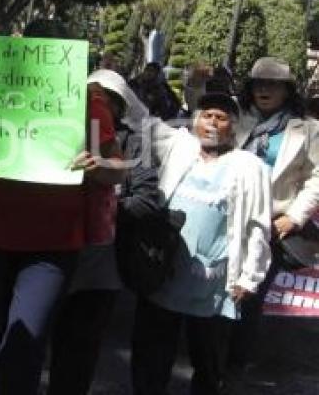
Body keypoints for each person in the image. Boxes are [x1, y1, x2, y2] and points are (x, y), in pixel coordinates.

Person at [0, 20, 125, 394]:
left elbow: (117, 169)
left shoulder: (88, 103)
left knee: (25, 343)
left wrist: (98, 166)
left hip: (52, 245)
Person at [129, 92, 271, 395]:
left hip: (214, 285)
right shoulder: (179, 146)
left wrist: (250, 277)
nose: (212, 123)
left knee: (207, 364)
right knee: (152, 358)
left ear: (233, 127)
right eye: (206, 115)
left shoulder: (249, 166)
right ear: (195, 121)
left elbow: (258, 225)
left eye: (220, 118)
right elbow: (141, 117)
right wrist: (106, 83)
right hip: (164, 274)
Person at [48, 69, 163, 395]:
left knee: (79, 349)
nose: (96, 105)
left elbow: (147, 198)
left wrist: (110, 206)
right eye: (90, 98)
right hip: (50, 251)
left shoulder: (134, 142)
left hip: (101, 266)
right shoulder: (57, 132)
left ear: (118, 107)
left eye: (104, 100)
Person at [228, 56, 319, 370]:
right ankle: (211, 352)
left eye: (273, 84)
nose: (264, 90)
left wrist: (294, 217)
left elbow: (316, 177)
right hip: (227, 218)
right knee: (220, 286)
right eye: (258, 83)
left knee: (251, 294)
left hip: (271, 225)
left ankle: (236, 361)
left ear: (286, 90)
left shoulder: (308, 129)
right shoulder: (236, 119)